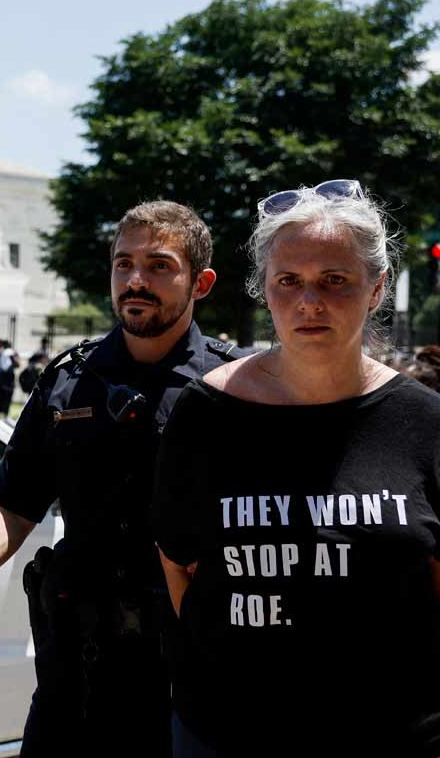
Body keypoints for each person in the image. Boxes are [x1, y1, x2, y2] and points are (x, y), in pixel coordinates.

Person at [153, 181, 440, 756]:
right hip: (228, 734)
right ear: (266, 290)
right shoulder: (206, 413)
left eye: (335, 280)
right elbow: (178, 566)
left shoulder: (424, 421)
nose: (310, 300)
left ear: (376, 288)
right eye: (289, 281)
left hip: (395, 736)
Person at [0, 200, 241, 757]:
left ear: (201, 282)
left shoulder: (235, 387)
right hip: (76, 672)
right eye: (123, 264)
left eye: (159, 265)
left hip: (191, 674)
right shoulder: (67, 381)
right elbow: (13, 503)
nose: (136, 280)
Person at [0, 340, 20, 418]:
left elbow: (17, 364)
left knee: (7, 394)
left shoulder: (12, 353)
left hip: (8, 376)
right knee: (2, 394)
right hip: (4, 376)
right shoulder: (1, 353)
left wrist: (12, 360)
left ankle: (4, 413)